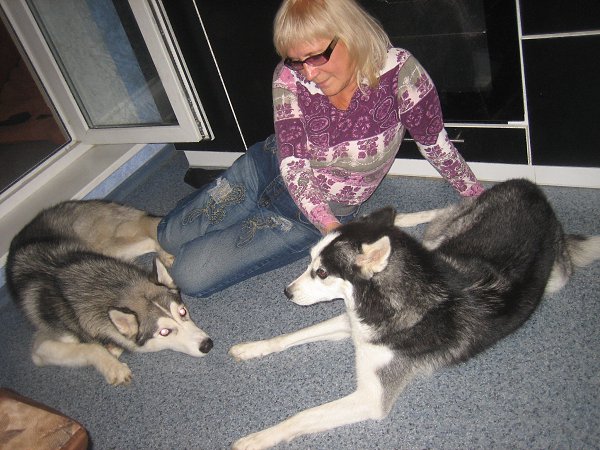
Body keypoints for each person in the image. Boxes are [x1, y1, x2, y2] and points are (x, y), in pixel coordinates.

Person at [157, 0, 484, 297]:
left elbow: (435, 143)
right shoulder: (289, 76)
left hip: (313, 215)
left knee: (187, 276)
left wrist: (480, 201)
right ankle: (217, 199)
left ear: (351, 34)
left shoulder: (399, 72)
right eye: (297, 61)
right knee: (167, 236)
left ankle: (222, 202)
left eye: (316, 56)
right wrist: (333, 233)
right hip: (267, 167)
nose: (309, 73)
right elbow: (293, 164)